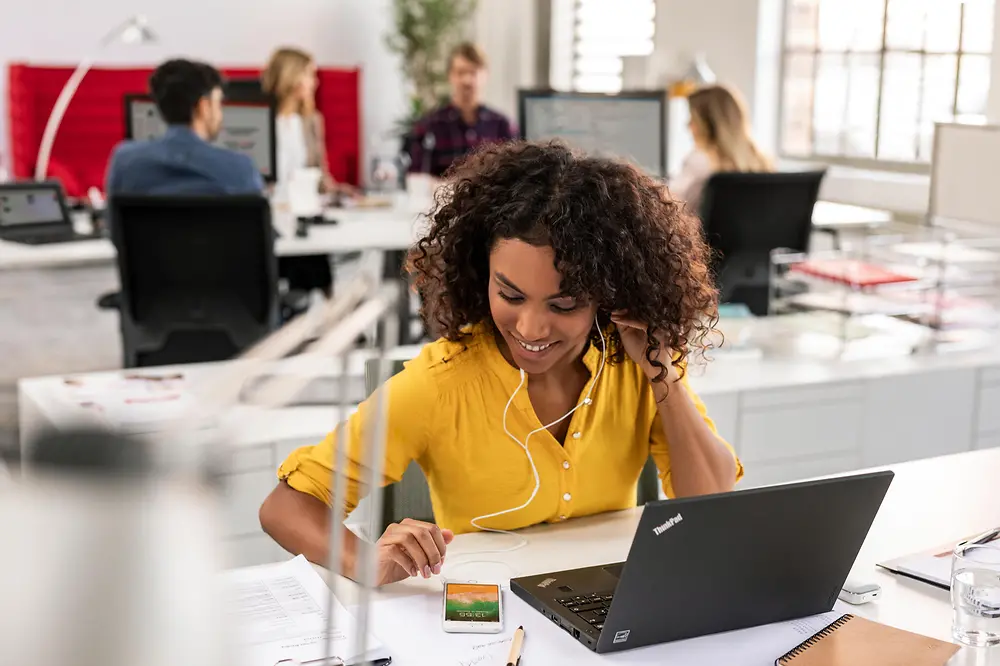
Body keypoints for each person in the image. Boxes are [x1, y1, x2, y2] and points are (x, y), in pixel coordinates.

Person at [259, 141, 743, 587]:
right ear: (480, 273)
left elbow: (712, 506)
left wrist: (663, 373)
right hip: (483, 616)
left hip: (607, 603)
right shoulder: (440, 383)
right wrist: (366, 563)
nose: (531, 328)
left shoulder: (633, 366)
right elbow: (287, 507)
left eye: (564, 304)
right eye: (510, 294)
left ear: (608, 295)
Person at [105, 59, 262, 195]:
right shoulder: (241, 170)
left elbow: (115, 225)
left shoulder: (125, 162)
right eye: (218, 104)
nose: (220, 114)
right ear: (204, 107)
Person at [406, 42, 516, 178]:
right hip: (442, 197)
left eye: (473, 72)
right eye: (460, 72)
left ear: (486, 75)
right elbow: (417, 178)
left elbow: (514, 178)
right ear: (450, 75)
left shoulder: (503, 125)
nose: (467, 80)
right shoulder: (429, 125)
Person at [262, 47, 352, 197]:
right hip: (269, 204)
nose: (315, 83)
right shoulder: (262, 120)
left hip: (302, 206)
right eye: (310, 75)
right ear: (292, 77)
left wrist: (341, 192)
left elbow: (320, 176)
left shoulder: (311, 121)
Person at [670, 84, 772, 214]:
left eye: (693, 119)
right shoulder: (762, 163)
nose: (688, 126)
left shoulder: (699, 163)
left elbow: (669, 210)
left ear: (708, 125)